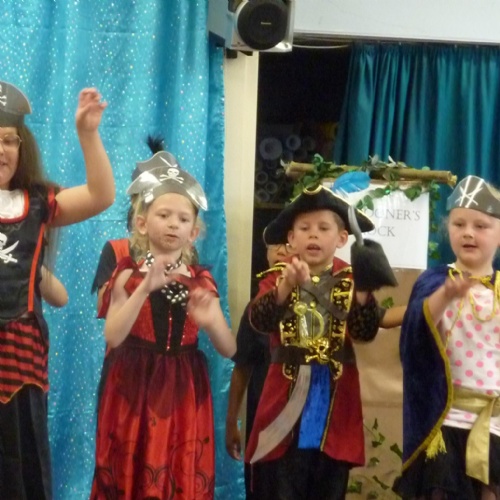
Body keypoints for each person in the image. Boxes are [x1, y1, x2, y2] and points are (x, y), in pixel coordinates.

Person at [90, 150, 236, 499]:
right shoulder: (126, 273)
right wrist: (143, 288)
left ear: (194, 231)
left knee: (177, 470)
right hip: (133, 384)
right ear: (142, 223)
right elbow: (113, 334)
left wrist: (210, 321)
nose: (173, 224)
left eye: (183, 219)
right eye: (164, 215)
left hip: (183, 388)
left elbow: (229, 348)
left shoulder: (202, 281)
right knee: (130, 468)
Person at [243, 184, 398, 500]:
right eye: (305, 228)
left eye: (323, 228)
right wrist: (286, 287)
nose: (313, 234)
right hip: (285, 400)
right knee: (281, 484)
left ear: (341, 238)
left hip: (334, 402)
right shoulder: (277, 277)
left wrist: (364, 295)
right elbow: (259, 321)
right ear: (291, 238)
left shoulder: (352, 279)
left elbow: (364, 333)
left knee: (327, 482)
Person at [0, 80, 114, 499]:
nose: (0, 149)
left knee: (19, 460)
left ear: (21, 147)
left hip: (18, 356)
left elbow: (101, 195)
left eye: (8, 140)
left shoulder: (36, 201)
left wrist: (87, 133)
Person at [393, 175, 500, 500]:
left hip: (494, 425)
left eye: (480, 226)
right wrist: (446, 296)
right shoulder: (436, 282)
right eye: (459, 224)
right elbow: (417, 331)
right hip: (446, 421)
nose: (468, 232)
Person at [225, 240, 293, 499]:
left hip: (304, 422)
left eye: (288, 245)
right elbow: (242, 367)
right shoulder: (257, 309)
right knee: (263, 486)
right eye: (274, 245)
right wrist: (232, 421)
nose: (281, 251)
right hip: (264, 418)